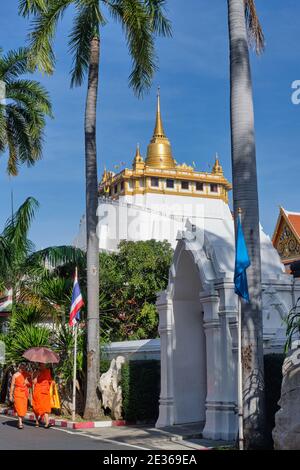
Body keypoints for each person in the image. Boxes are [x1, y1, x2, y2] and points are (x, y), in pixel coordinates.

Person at [9, 363, 31, 429]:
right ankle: (20, 422)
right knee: (19, 407)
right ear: (19, 368)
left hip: (24, 393)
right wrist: (10, 395)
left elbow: (31, 384)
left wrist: (27, 382)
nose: (22, 369)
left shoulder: (27, 375)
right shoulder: (15, 375)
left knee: (23, 408)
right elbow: (12, 385)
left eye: (24, 367)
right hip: (17, 393)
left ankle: (20, 421)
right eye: (21, 368)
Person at [32, 363, 52, 428]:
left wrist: (52, 383)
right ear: (39, 366)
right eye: (41, 365)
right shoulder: (36, 372)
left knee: (45, 407)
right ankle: (37, 421)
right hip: (38, 391)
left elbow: (49, 380)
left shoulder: (48, 371)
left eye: (44, 364)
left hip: (45, 392)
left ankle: (47, 423)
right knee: (37, 407)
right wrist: (37, 376)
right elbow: (34, 382)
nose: (43, 366)